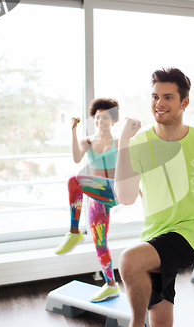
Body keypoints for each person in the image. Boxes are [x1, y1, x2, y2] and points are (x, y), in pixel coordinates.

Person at [114, 67, 194, 327]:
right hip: (154, 235)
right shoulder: (139, 144)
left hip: (189, 234)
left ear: (184, 102)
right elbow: (126, 198)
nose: (159, 103)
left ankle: (135, 324)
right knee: (160, 313)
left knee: (129, 261)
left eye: (168, 97)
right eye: (154, 97)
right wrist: (123, 144)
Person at [54, 98, 121, 302]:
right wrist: (73, 131)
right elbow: (76, 158)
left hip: (112, 191)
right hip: (95, 195)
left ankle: (74, 232)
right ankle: (111, 284)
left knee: (74, 181)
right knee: (100, 242)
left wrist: (139, 191)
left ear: (113, 120)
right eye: (98, 117)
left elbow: (131, 168)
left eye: (106, 117)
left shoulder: (119, 142)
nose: (101, 120)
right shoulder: (87, 141)